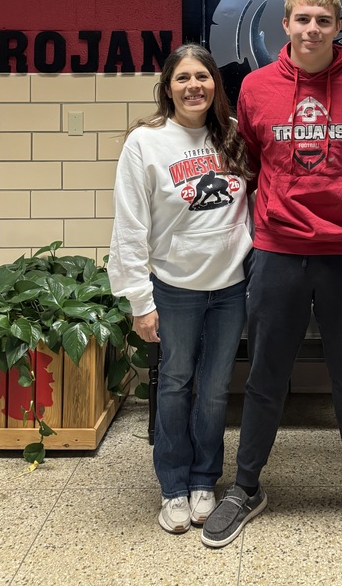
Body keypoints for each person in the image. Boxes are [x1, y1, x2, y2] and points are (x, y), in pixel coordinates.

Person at [201, 0, 342, 552]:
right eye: (303, 19)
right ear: (285, 24)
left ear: (337, 29)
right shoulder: (255, 87)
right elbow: (250, 161)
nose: (313, 29)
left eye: (324, 21)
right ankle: (246, 487)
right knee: (265, 375)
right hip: (278, 250)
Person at [108, 44, 253, 535]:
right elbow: (130, 225)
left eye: (203, 77)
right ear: (167, 88)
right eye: (183, 78)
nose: (194, 86)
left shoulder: (232, 135)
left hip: (230, 288)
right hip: (174, 288)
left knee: (214, 390)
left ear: (215, 85)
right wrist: (139, 300)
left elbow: (252, 205)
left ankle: (203, 480)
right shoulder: (145, 142)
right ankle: (172, 486)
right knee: (174, 384)